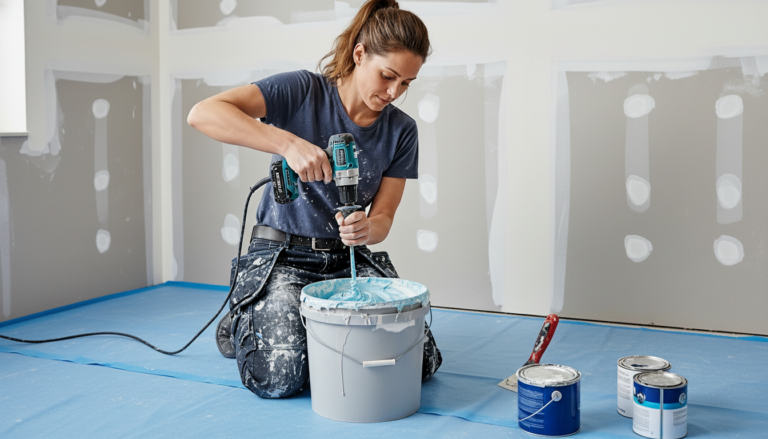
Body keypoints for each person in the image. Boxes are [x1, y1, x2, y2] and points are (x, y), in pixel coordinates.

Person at [187, 0, 441, 399]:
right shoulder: (302, 91)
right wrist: (287, 143)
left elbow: (385, 217)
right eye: (388, 76)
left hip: (345, 262)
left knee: (418, 363)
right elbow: (203, 113)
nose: (394, 92)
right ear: (360, 55)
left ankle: (294, 326)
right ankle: (246, 316)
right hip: (282, 256)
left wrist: (367, 228)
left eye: (406, 83)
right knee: (280, 377)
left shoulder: (401, 131)